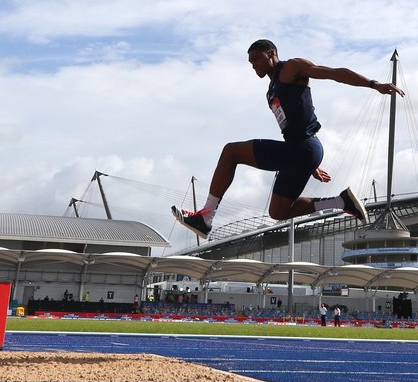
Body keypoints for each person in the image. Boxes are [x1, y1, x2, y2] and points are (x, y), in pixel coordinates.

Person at [173, 39, 405, 239]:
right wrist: (310, 165)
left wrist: (374, 85)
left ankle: (206, 217)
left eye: (257, 58)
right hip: (300, 151)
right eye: (250, 62)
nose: (254, 65)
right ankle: (341, 202)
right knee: (279, 211)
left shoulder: (292, 68)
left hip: (305, 148)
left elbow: (335, 74)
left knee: (231, 152)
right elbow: (292, 126)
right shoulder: (270, 91)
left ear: (272, 54)